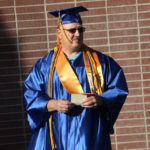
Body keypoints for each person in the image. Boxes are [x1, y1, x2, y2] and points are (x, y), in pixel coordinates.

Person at [23, 6, 128, 150]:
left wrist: (101, 100)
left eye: (81, 30)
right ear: (59, 33)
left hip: (89, 132)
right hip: (55, 132)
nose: (77, 34)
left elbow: (118, 89)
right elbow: (30, 95)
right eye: (72, 30)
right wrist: (53, 104)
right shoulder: (44, 66)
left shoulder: (101, 63)